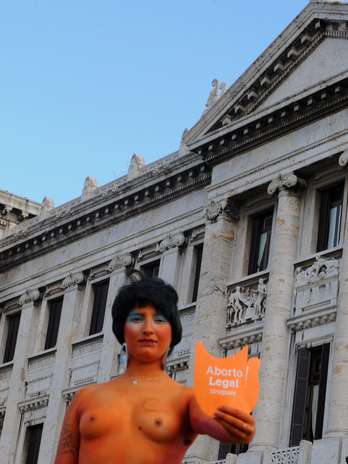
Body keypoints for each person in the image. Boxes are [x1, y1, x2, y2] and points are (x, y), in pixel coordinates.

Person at [54, 275, 255, 464]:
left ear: (172, 331)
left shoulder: (186, 401)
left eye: (159, 320)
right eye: (137, 319)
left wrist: (240, 426)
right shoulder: (85, 398)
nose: (148, 329)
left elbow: (219, 425)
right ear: (121, 329)